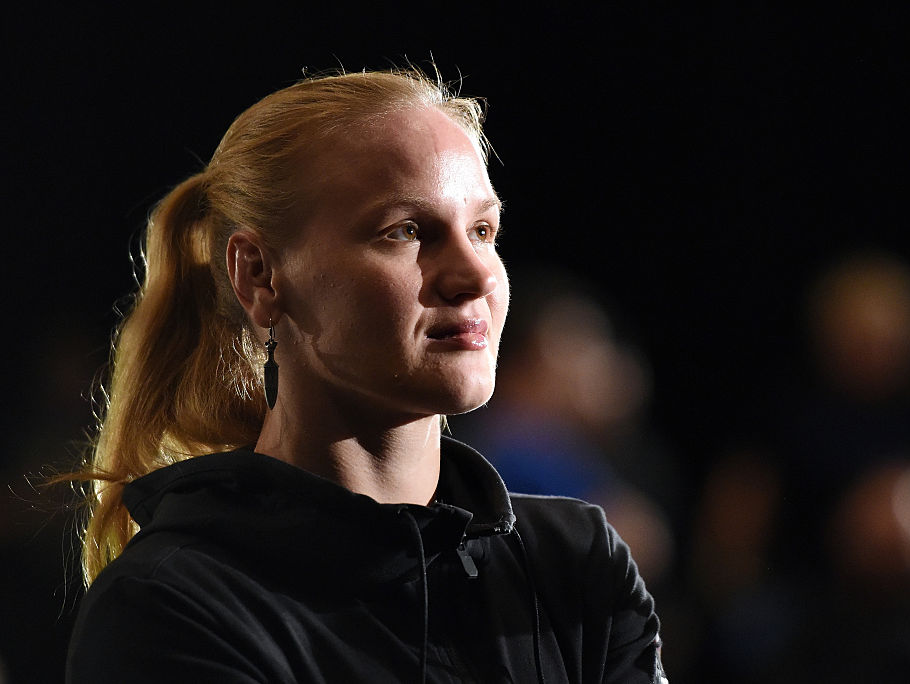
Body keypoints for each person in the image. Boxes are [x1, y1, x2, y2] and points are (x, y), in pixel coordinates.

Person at [62, 68, 666, 683]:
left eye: (483, 231)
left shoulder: (573, 563)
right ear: (260, 276)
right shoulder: (171, 606)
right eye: (405, 231)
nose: (475, 275)